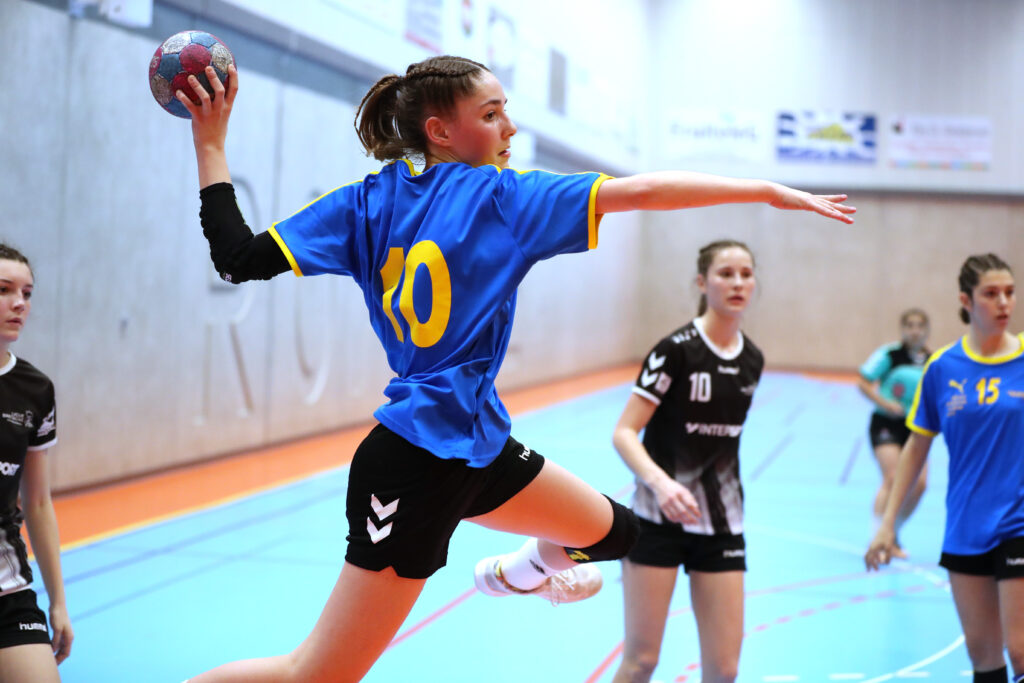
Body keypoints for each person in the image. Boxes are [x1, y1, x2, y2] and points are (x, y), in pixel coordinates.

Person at [178, 55, 855, 682]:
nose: (511, 125)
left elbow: (238, 255)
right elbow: (643, 191)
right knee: (314, 674)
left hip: (478, 445)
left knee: (615, 532)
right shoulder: (502, 199)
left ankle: (516, 570)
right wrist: (765, 189)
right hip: (414, 461)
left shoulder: (367, 199)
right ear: (442, 130)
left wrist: (212, 144)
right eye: (493, 113)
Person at [866, 254, 1024, 683]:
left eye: (1009, 292)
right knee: (984, 657)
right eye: (991, 294)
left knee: (1022, 649)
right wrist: (887, 526)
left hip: (1019, 524)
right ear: (966, 300)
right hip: (967, 526)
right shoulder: (942, 368)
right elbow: (916, 448)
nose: (1003, 302)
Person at [610, 240, 762, 683]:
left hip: (722, 527)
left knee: (724, 669)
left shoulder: (753, 359)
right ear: (702, 282)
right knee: (642, 661)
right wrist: (662, 484)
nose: (737, 283)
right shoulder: (675, 349)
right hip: (657, 522)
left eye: (746, 274)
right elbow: (623, 432)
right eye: (726, 273)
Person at [0, 244, 73, 682]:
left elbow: (39, 504)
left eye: (27, 293)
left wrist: (58, 600)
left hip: (8, 591)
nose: (19, 303)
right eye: (4, 290)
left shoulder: (35, 389)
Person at [857, 308, 930, 556]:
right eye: (909, 325)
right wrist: (886, 404)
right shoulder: (890, 355)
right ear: (902, 329)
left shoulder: (933, 361)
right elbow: (863, 382)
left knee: (919, 484)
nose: (914, 330)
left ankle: (892, 534)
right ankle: (875, 539)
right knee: (892, 478)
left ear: (926, 330)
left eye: (919, 325)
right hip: (886, 423)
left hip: (915, 430)